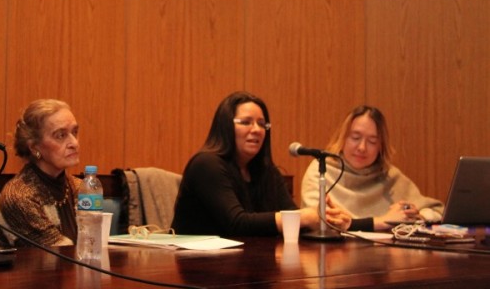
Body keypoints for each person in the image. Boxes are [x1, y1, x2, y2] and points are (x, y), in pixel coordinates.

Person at [172, 91, 351, 236]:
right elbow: (237, 223)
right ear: (225, 126)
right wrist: (303, 217)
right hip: (200, 270)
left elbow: (290, 215)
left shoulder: (268, 172)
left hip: (249, 267)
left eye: (262, 124)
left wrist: (327, 220)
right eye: (246, 122)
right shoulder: (206, 164)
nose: (257, 130)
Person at [301, 105, 444, 231]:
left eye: (372, 141)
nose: (362, 147)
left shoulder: (390, 176)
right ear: (343, 138)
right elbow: (318, 221)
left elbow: (437, 211)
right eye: (355, 138)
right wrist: (382, 221)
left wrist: (417, 216)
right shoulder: (321, 171)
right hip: (333, 256)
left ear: (381, 146)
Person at [0, 99, 82, 248]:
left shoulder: (79, 187)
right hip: (25, 271)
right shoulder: (19, 196)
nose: (74, 143)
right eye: (60, 135)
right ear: (35, 147)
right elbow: (60, 255)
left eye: (74, 132)